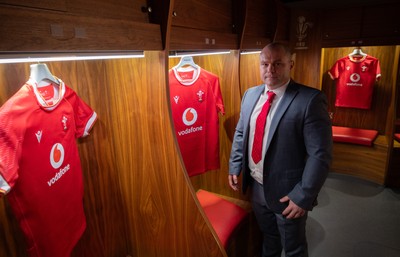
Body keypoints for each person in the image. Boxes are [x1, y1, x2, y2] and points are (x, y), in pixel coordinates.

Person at [228, 42, 332, 257]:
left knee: (293, 249)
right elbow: (241, 133)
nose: (270, 70)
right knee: (269, 239)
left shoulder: (310, 100)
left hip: (289, 194)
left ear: (290, 64)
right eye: (265, 64)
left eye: (277, 64)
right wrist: (235, 165)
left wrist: (303, 195)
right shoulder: (250, 95)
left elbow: (320, 154)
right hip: (257, 188)